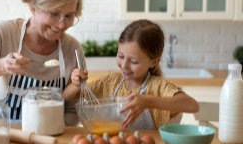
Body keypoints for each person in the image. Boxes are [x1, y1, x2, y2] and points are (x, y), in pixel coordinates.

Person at [63, 19, 200, 130]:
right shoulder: (111, 82)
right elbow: (66, 96)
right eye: (121, 56)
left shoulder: (158, 87)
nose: (124, 65)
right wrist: (76, 85)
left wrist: (147, 101)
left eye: (133, 61)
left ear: (153, 62)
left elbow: (192, 105)